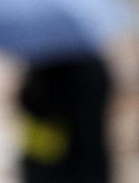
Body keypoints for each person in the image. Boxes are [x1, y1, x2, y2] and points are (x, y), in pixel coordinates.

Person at [18, 54, 112, 183]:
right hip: (89, 164)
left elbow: (33, 103)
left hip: (51, 158)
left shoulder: (47, 67)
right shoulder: (94, 68)